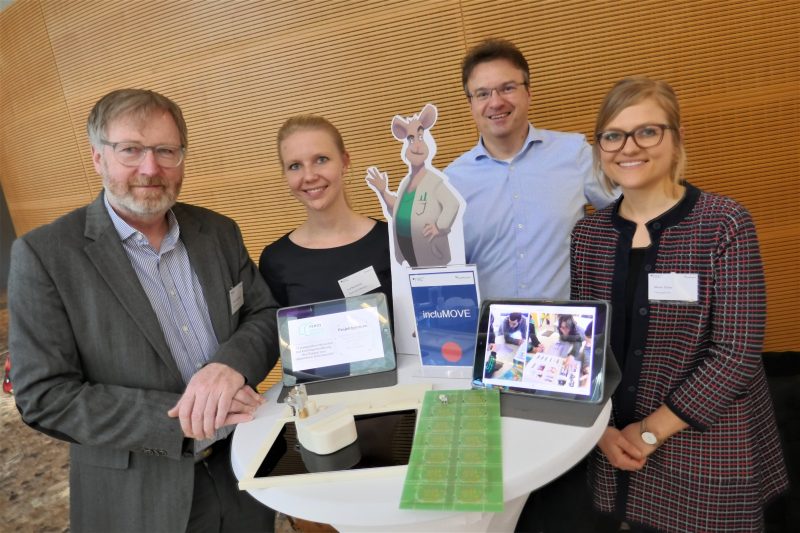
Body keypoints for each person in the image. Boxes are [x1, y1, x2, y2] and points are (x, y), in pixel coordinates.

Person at [8, 89, 280, 533]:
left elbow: (263, 313)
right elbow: (45, 396)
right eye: (130, 150)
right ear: (98, 157)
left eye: (166, 151)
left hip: (243, 468)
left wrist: (229, 366)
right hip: (139, 498)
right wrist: (182, 418)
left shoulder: (218, 231)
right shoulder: (45, 256)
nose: (151, 168)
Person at [570, 76, 788, 531]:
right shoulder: (588, 236)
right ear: (600, 148)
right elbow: (582, 347)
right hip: (614, 440)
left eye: (647, 131)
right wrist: (600, 430)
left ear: (676, 138)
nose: (629, 147)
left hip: (704, 445)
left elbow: (736, 354)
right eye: (613, 135)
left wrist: (650, 432)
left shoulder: (724, 224)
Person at [445, 38, 617, 300]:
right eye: (482, 94)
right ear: (471, 104)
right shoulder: (450, 183)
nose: (496, 102)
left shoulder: (574, 153)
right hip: (489, 326)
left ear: (528, 92)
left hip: (566, 324)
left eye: (507, 88)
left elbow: (630, 214)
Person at [259, 115, 391, 309]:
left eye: (321, 160)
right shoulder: (275, 260)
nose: (309, 176)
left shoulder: (393, 241)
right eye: (295, 166)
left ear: (344, 162)